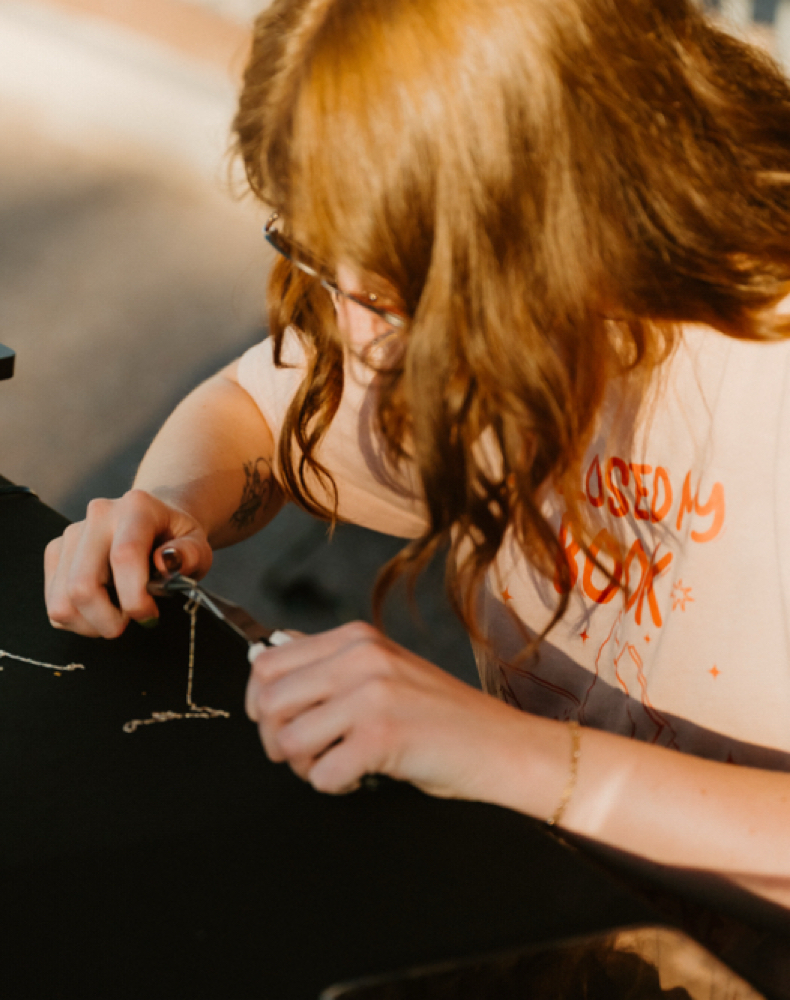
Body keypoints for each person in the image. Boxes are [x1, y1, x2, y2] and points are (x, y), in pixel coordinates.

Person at [44, 0, 790, 909]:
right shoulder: (421, 319)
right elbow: (254, 410)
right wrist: (164, 510)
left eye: (403, 286)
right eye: (319, 262)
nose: (362, 336)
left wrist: (508, 754)